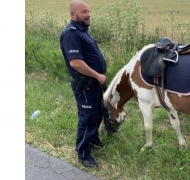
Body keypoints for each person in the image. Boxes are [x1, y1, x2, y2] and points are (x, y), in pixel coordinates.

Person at [59, 0, 107, 168]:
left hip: (93, 83)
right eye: (84, 12)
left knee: (97, 113)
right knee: (87, 117)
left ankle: (93, 140)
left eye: (89, 11)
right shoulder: (71, 33)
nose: (88, 15)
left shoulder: (83, 31)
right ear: (73, 14)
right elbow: (76, 63)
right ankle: (83, 152)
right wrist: (98, 76)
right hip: (86, 84)